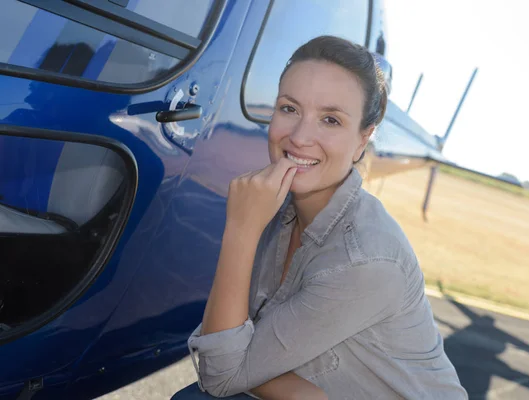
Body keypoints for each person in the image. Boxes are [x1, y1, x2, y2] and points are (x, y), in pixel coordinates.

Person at [183, 35, 467, 399]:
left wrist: (241, 229)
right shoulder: (279, 205)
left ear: (363, 140)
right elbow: (224, 357)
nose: (300, 137)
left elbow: (220, 372)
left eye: (330, 119)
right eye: (289, 109)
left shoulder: (363, 259)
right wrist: (296, 391)